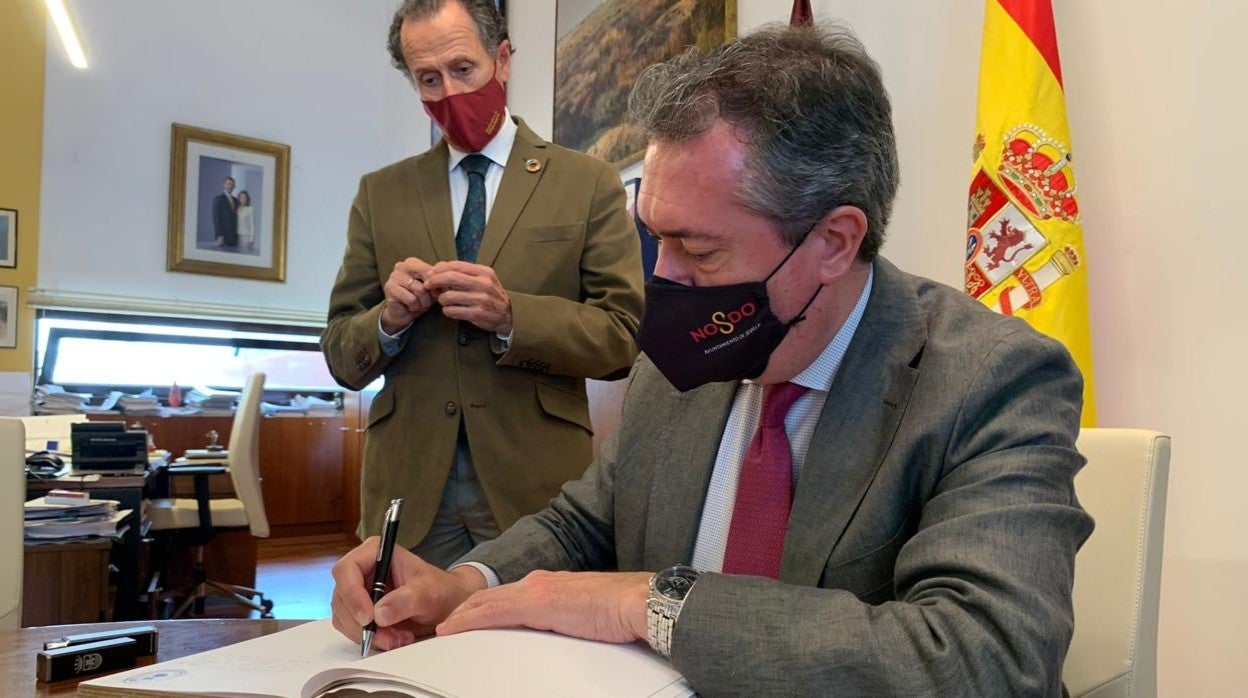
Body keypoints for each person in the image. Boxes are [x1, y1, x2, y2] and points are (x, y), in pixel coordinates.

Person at [331, 22, 1094, 696]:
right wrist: (462, 582)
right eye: (654, 238)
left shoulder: (992, 380)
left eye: (696, 249)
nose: (661, 281)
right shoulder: (683, 359)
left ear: (833, 241)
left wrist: (653, 603)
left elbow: (985, 661)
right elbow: (584, 523)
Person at [321, 0, 644, 569]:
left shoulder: (586, 182)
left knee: (538, 657)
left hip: (538, 493)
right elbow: (342, 357)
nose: (449, 91)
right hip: (410, 490)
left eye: (462, 69)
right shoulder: (381, 193)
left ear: (502, 59)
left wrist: (511, 315)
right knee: (405, 655)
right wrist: (387, 321)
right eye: (428, 78)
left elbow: (622, 338)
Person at [212, 176, 238, 249]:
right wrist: (219, 235)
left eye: (232, 185)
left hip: (234, 237)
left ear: (234, 186)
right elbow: (216, 218)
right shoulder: (218, 199)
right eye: (228, 184)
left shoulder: (236, 200)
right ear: (224, 185)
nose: (230, 186)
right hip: (223, 237)